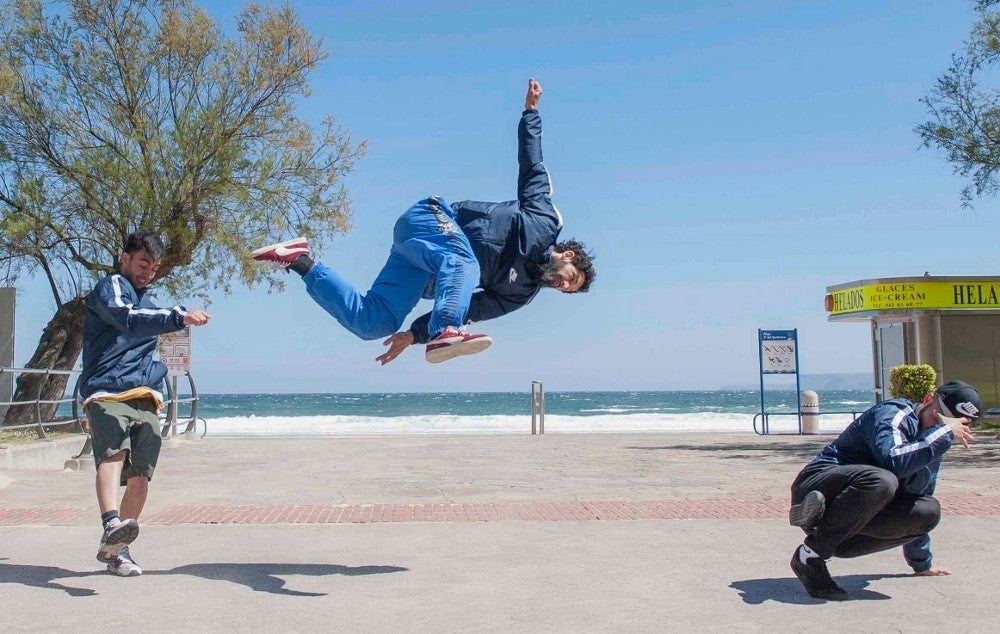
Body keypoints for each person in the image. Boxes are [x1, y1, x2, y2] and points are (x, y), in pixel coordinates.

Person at [250, 78, 595, 364]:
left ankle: (300, 260)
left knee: (375, 322)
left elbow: (471, 309)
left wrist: (413, 335)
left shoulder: (519, 293)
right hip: (431, 219)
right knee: (464, 262)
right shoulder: (544, 220)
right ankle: (446, 332)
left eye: (569, 290)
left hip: (418, 264)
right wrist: (531, 112)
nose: (564, 286)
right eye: (572, 278)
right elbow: (532, 166)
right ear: (568, 256)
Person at [79, 231, 211, 576]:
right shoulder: (111, 289)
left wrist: (159, 371)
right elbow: (128, 319)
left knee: (141, 476)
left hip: (144, 397)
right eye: (142, 263)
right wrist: (179, 317)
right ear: (125, 259)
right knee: (113, 455)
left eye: (152, 267)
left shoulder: (151, 304)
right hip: (106, 392)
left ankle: (119, 551)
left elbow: (151, 324)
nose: (147, 272)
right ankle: (110, 522)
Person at [787, 380, 981, 600]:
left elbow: (917, 499)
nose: (939, 426)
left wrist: (922, 564)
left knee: (928, 511)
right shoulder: (892, 414)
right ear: (928, 400)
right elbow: (894, 460)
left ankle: (822, 524)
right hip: (819, 483)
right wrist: (944, 431)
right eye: (939, 417)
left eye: (952, 425)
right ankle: (809, 554)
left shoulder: (929, 446)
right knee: (883, 480)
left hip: (845, 525)